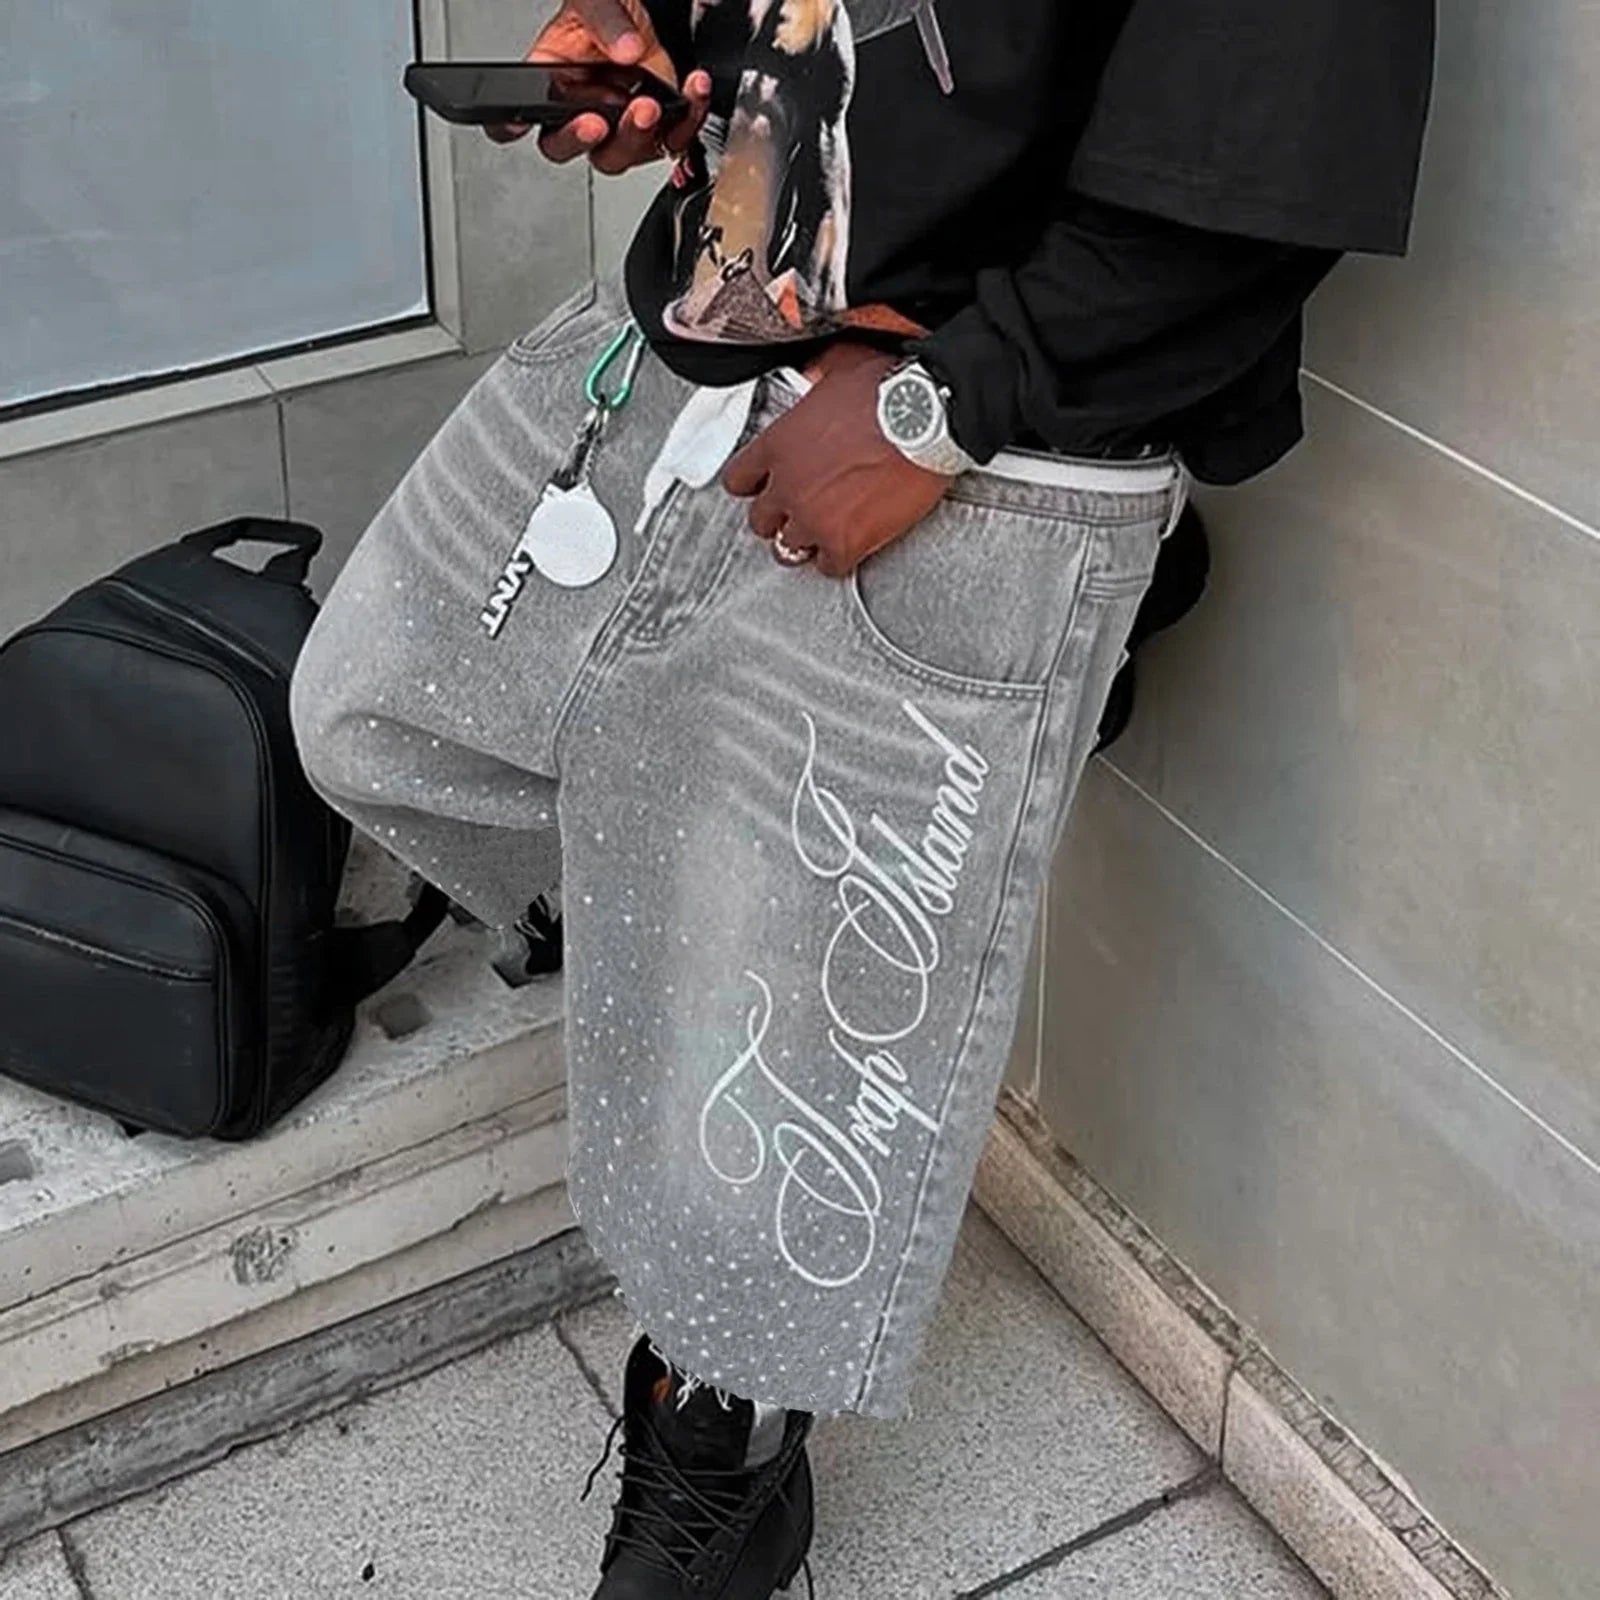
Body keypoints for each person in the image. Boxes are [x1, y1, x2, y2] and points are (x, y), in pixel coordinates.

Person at [291, 1, 1433, 1593]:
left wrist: (939, 407)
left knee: (769, 1068)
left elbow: (1255, 182)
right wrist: (655, 57)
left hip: (965, 432)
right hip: (705, 327)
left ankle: (726, 1434)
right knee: (370, 716)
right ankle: (1004, 705)